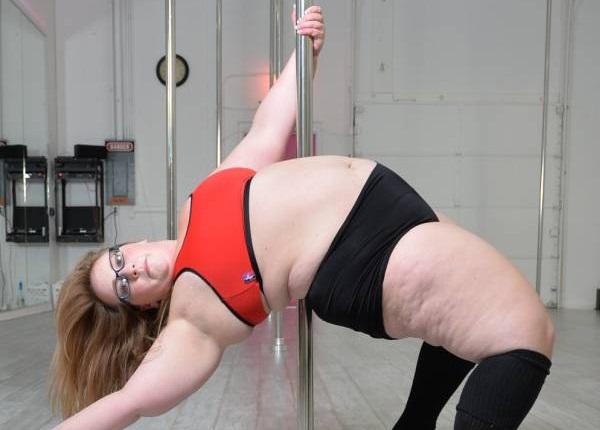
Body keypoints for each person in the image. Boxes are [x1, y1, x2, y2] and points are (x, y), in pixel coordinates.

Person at [50, 6, 554, 430]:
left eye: (119, 261)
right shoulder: (192, 319)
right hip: (359, 257)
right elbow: (129, 403)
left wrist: (306, 54)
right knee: (522, 333)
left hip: (385, 206)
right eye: (124, 288)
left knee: (467, 322)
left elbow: (267, 129)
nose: (132, 271)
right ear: (144, 306)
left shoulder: (195, 204)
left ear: (132, 243)